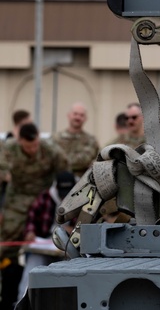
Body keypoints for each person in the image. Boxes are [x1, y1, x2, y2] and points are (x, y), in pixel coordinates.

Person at [0, 123, 68, 310]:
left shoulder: (50, 149)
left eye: (35, 145)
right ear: (20, 140)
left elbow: (64, 172)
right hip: (16, 202)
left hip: (44, 203)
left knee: (50, 245)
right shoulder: (8, 149)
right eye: (28, 146)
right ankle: (8, 296)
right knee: (8, 249)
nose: (32, 149)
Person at [17, 171, 77, 300]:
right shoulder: (45, 197)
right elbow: (31, 218)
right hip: (43, 246)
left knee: (70, 276)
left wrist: (73, 230)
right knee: (31, 270)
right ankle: (22, 301)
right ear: (56, 188)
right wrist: (30, 233)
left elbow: (89, 225)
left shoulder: (83, 199)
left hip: (69, 248)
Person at [53, 103, 100, 179]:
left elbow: (96, 162)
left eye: (81, 115)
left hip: (83, 183)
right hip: (59, 181)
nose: (78, 117)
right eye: (75, 114)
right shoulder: (56, 138)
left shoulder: (91, 141)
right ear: (69, 115)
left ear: (85, 118)